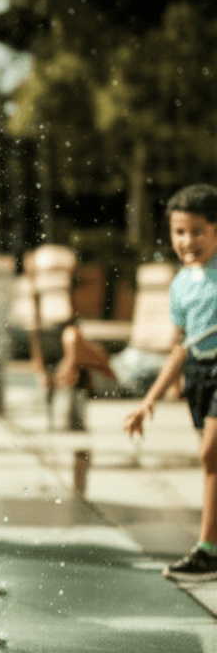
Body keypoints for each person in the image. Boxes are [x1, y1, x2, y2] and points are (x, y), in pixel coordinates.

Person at [125, 184, 217, 581]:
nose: (188, 240)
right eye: (180, 232)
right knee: (213, 463)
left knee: (210, 455)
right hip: (198, 372)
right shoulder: (180, 285)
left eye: (198, 231)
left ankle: (207, 550)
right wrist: (150, 400)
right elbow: (179, 348)